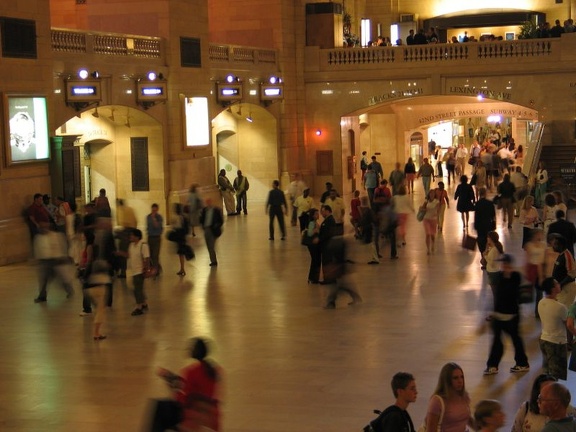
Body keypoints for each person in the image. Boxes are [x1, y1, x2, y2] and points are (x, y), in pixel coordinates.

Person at [154, 337, 221, 432]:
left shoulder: (191, 372)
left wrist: (174, 390)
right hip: (210, 410)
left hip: (193, 413)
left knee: (161, 408)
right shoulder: (215, 370)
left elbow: (184, 399)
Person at [484, 254, 530, 375]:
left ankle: (522, 363)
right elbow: (497, 297)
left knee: (516, 340)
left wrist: (509, 275)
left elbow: (513, 295)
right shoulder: (500, 276)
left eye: (505, 264)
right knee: (497, 343)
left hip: (512, 316)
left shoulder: (515, 277)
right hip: (499, 315)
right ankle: (492, 366)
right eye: (502, 264)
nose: (503, 266)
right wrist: (493, 312)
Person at [33, 222, 75, 303]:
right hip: (45, 261)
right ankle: (42, 296)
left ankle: (69, 290)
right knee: (44, 279)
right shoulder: (38, 238)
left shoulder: (56, 236)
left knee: (62, 278)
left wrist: (64, 256)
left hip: (57, 260)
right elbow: (38, 249)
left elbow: (62, 246)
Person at [423, 362, 472, 432]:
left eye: (462, 377)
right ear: (447, 380)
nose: (460, 381)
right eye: (455, 378)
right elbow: (430, 429)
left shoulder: (464, 396)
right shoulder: (437, 401)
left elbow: (466, 417)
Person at [538, 277, 568, 380]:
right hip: (557, 342)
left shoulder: (541, 302)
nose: (559, 284)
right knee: (555, 375)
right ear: (553, 289)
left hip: (544, 339)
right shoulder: (560, 307)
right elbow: (568, 324)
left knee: (546, 372)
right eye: (557, 284)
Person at [322, 235, 362, 309]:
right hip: (339, 267)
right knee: (340, 285)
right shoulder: (338, 245)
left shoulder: (334, 246)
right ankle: (355, 296)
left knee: (336, 286)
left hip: (337, 268)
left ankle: (331, 303)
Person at [82, 258, 111, 340]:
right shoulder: (102, 264)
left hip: (88, 289)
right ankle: (96, 333)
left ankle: (96, 332)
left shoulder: (90, 263)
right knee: (100, 310)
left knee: (98, 308)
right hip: (99, 287)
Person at [125, 229, 150, 316]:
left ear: (137, 236)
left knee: (137, 289)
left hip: (139, 270)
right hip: (132, 270)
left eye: (132, 235)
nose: (130, 237)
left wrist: (145, 269)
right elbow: (129, 256)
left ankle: (138, 306)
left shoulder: (143, 245)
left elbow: (146, 258)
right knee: (135, 288)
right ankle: (144, 303)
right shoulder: (131, 245)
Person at [116, 198, 137, 279]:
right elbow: (135, 221)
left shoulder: (122, 210)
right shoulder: (130, 209)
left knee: (122, 252)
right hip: (133, 231)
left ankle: (123, 272)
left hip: (126, 233)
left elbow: (125, 224)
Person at [199, 198, 224, 267]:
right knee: (209, 246)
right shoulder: (204, 210)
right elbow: (201, 220)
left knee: (211, 246)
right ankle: (213, 260)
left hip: (213, 230)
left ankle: (214, 261)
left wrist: (216, 226)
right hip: (206, 229)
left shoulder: (216, 210)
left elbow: (221, 221)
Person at [474, 188, 496, 265]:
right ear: (485, 194)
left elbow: (476, 216)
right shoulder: (490, 203)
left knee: (481, 241)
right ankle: (488, 257)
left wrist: (475, 225)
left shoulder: (478, 204)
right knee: (488, 241)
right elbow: (493, 215)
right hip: (488, 225)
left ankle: (483, 258)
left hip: (480, 226)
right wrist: (494, 224)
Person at [171, 203, 189, 276]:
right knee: (181, 253)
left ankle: (182, 269)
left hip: (180, 236)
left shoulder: (177, 217)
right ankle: (182, 268)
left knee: (181, 253)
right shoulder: (183, 217)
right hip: (182, 236)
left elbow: (174, 226)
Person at [304, 208, 321, 284]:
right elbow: (310, 233)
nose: (318, 215)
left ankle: (314, 277)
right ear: (313, 215)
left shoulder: (314, 222)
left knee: (316, 260)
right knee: (315, 260)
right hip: (312, 244)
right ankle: (312, 278)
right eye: (316, 214)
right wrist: (316, 230)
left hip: (315, 244)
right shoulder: (311, 223)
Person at [146, 203, 163, 274]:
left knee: (155, 255)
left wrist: (154, 218)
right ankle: (157, 267)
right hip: (150, 237)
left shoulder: (159, 217)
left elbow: (157, 226)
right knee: (150, 255)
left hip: (157, 238)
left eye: (155, 210)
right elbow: (148, 227)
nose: (154, 212)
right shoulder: (148, 217)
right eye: (153, 210)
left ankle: (156, 271)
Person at [421, 189, 439, 255]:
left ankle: (433, 244)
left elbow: (438, 209)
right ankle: (428, 249)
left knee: (432, 235)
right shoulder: (426, 201)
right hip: (426, 219)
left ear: (434, 195)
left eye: (433, 194)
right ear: (429, 194)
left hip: (433, 219)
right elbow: (422, 208)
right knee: (427, 234)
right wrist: (423, 208)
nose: (432, 195)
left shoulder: (437, 201)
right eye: (430, 194)